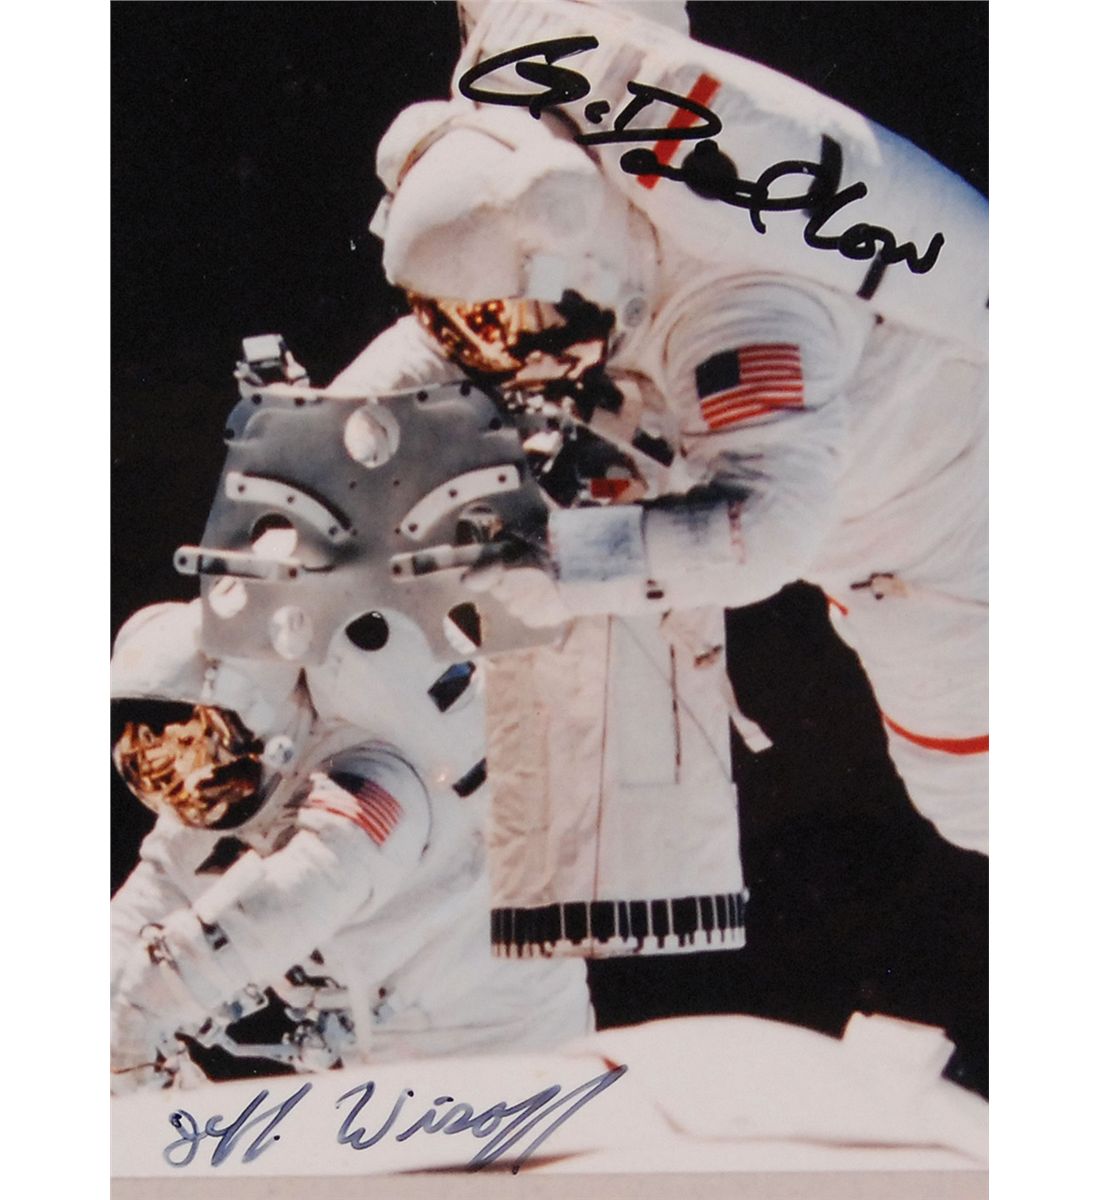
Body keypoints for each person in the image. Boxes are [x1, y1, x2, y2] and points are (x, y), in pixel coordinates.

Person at [334, 0, 988, 875]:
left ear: (584, 260)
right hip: (878, 537)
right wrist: (331, 428)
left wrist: (553, 563)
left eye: (508, 330)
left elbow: (763, 532)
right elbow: (458, 340)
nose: (501, 358)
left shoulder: (745, 310)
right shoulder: (545, 200)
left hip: (956, 543)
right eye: (471, 328)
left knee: (979, 800)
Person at [110, 600, 592, 1091]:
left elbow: (309, 886)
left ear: (261, 722)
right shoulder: (228, 790)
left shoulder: (380, 777)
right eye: (145, 757)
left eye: (201, 743)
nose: (186, 774)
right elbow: (154, 894)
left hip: (511, 1060)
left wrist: (149, 998)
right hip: (389, 1077)